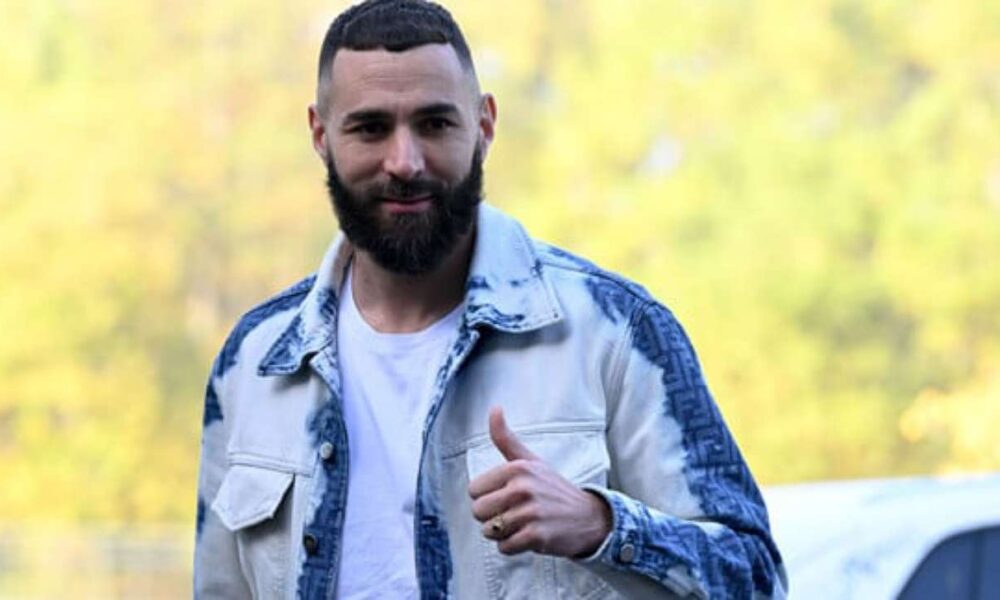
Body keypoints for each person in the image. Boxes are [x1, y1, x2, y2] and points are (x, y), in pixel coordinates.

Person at [193, 1, 788, 598]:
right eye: (370, 128)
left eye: (434, 124)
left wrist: (601, 527)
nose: (405, 162)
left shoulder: (615, 332)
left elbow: (756, 578)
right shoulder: (254, 364)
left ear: (484, 125)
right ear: (321, 136)